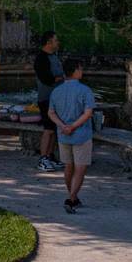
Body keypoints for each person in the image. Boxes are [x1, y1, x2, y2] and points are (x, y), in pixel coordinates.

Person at [48, 58, 96, 214]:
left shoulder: (56, 91)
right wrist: (73, 126)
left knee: (68, 166)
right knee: (80, 168)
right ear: (75, 70)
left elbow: (51, 113)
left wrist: (63, 126)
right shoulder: (85, 90)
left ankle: (73, 198)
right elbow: (88, 113)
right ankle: (71, 199)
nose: (82, 71)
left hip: (63, 135)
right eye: (81, 68)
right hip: (81, 134)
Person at [33, 31, 65, 171]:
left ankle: (51, 156)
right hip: (46, 99)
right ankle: (43, 159)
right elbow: (46, 78)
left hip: (56, 99)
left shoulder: (53, 56)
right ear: (48, 43)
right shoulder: (41, 58)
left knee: (54, 129)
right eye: (56, 40)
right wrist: (63, 77)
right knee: (48, 130)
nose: (58, 43)